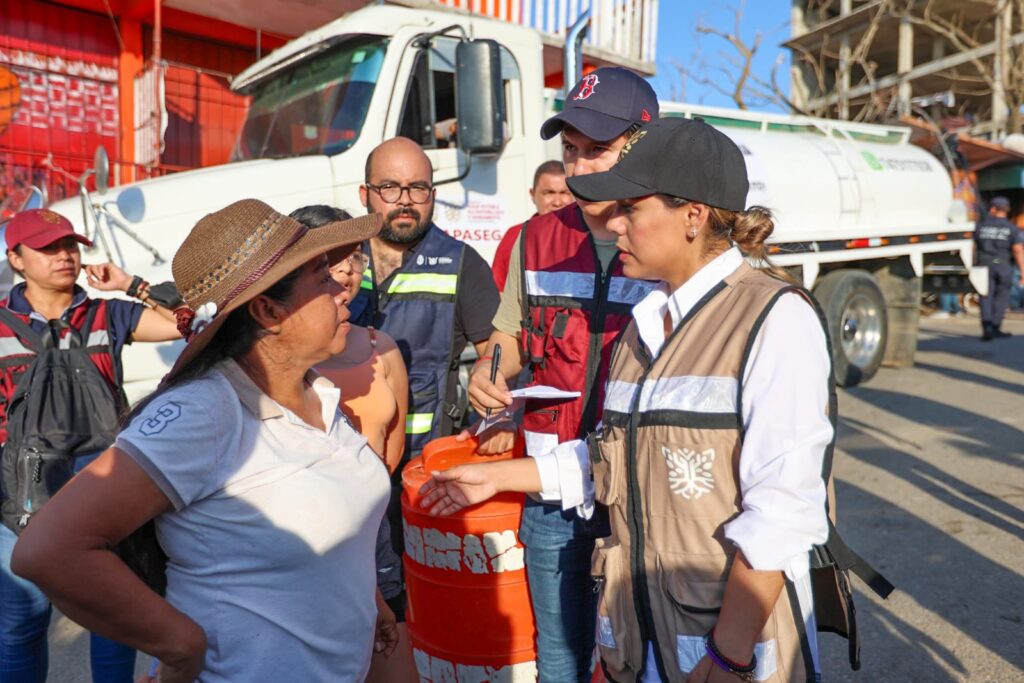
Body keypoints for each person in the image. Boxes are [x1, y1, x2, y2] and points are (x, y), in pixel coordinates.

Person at [421, 117, 838, 682]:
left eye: (631, 209)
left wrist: (728, 655)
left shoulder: (774, 318)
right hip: (643, 645)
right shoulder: (645, 326)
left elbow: (784, 512)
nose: (614, 226)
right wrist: (497, 478)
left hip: (726, 652)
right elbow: (611, 460)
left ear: (693, 215)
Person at [10, 200, 395, 683]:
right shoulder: (206, 412)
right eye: (321, 279)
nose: (343, 289)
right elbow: (48, 550)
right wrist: (179, 646)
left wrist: (367, 599)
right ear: (268, 311)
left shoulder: (318, 392)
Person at [466, 67, 659, 681]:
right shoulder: (535, 238)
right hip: (550, 489)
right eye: (569, 152)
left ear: (642, 144)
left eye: (594, 150)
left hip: (639, 490)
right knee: (559, 656)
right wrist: (489, 374)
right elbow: (509, 338)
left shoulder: (671, 242)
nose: (576, 169)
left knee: (643, 655)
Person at [0, 208, 182, 683]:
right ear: (15, 259)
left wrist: (129, 283)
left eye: (70, 245)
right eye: (48, 247)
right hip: (20, 491)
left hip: (101, 485)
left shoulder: (107, 313)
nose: (65, 255)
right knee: (23, 617)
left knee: (113, 618)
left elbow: (188, 323)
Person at [349, 137, 500, 555]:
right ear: (366, 194)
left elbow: (499, 352)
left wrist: (493, 385)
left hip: (423, 472)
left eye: (418, 189)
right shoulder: (333, 258)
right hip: (336, 464)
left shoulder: (462, 263)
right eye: (390, 188)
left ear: (432, 195)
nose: (405, 201)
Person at [290, 204, 417, 683]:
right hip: (305, 543)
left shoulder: (381, 346)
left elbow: (391, 448)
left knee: (389, 660)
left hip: (373, 536)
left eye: (356, 257)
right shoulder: (274, 361)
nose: (346, 270)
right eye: (332, 258)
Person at [492, 160, 573, 291]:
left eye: (565, 193)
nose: (557, 202)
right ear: (533, 194)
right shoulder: (515, 236)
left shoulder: (586, 236)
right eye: (549, 193)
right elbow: (498, 291)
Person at [975, 195, 1024, 340]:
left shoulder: (980, 226)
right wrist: (1023, 271)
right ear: (1007, 210)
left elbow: (972, 246)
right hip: (1003, 265)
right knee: (1001, 297)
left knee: (985, 296)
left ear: (992, 209)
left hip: (983, 264)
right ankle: (995, 326)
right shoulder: (1011, 228)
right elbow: (1017, 250)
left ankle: (987, 328)